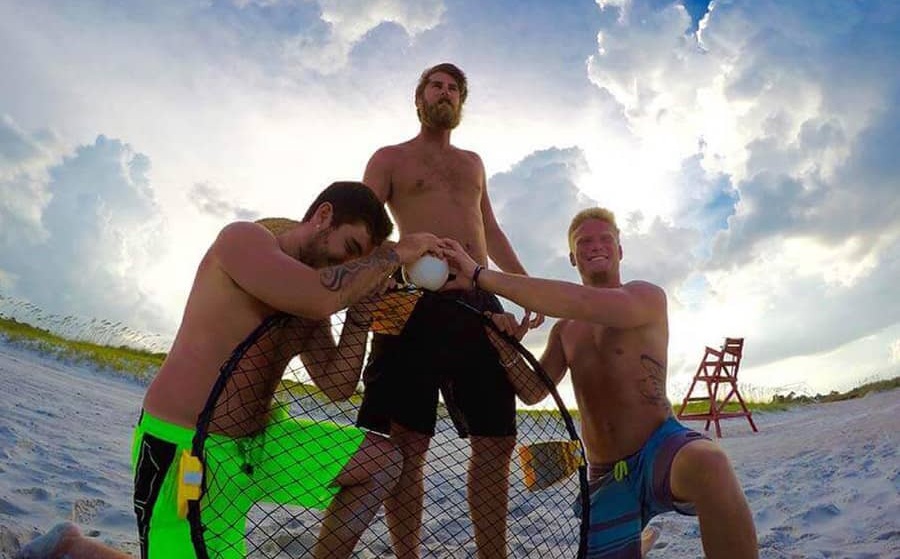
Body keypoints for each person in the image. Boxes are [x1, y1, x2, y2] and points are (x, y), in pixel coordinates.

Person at [20, 182, 442, 559]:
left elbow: (336, 385)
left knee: (382, 461)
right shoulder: (245, 241)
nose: (349, 268)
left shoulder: (314, 292)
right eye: (350, 251)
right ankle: (71, 547)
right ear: (324, 217)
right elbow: (317, 297)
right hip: (184, 445)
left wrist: (361, 313)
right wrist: (391, 256)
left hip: (256, 448)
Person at [439, 207, 759, 559]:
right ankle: (636, 538)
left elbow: (582, 301)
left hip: (660, 447)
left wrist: (481, 275)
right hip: (606, 473)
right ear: (573, 258)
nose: (596, 246)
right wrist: (505, 347)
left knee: (710, 464)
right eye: (584, 242)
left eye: (606, 239)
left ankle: (640, 533)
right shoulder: (564, 330)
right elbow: (533, 392)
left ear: (620, 251)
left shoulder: (646, 297)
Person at [356, 63, 541, 559]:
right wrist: (406, 250)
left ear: (461, 105)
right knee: (405, 443)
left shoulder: (473, 163)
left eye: (454, 89)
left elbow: (492, 231)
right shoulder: (389, 158)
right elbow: (362, 229)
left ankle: (491, 556)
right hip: (404, 300)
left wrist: (519, 287)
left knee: (497, 440)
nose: (445, 93)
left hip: (477, 300)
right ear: (418, 99)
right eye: (436, 85)